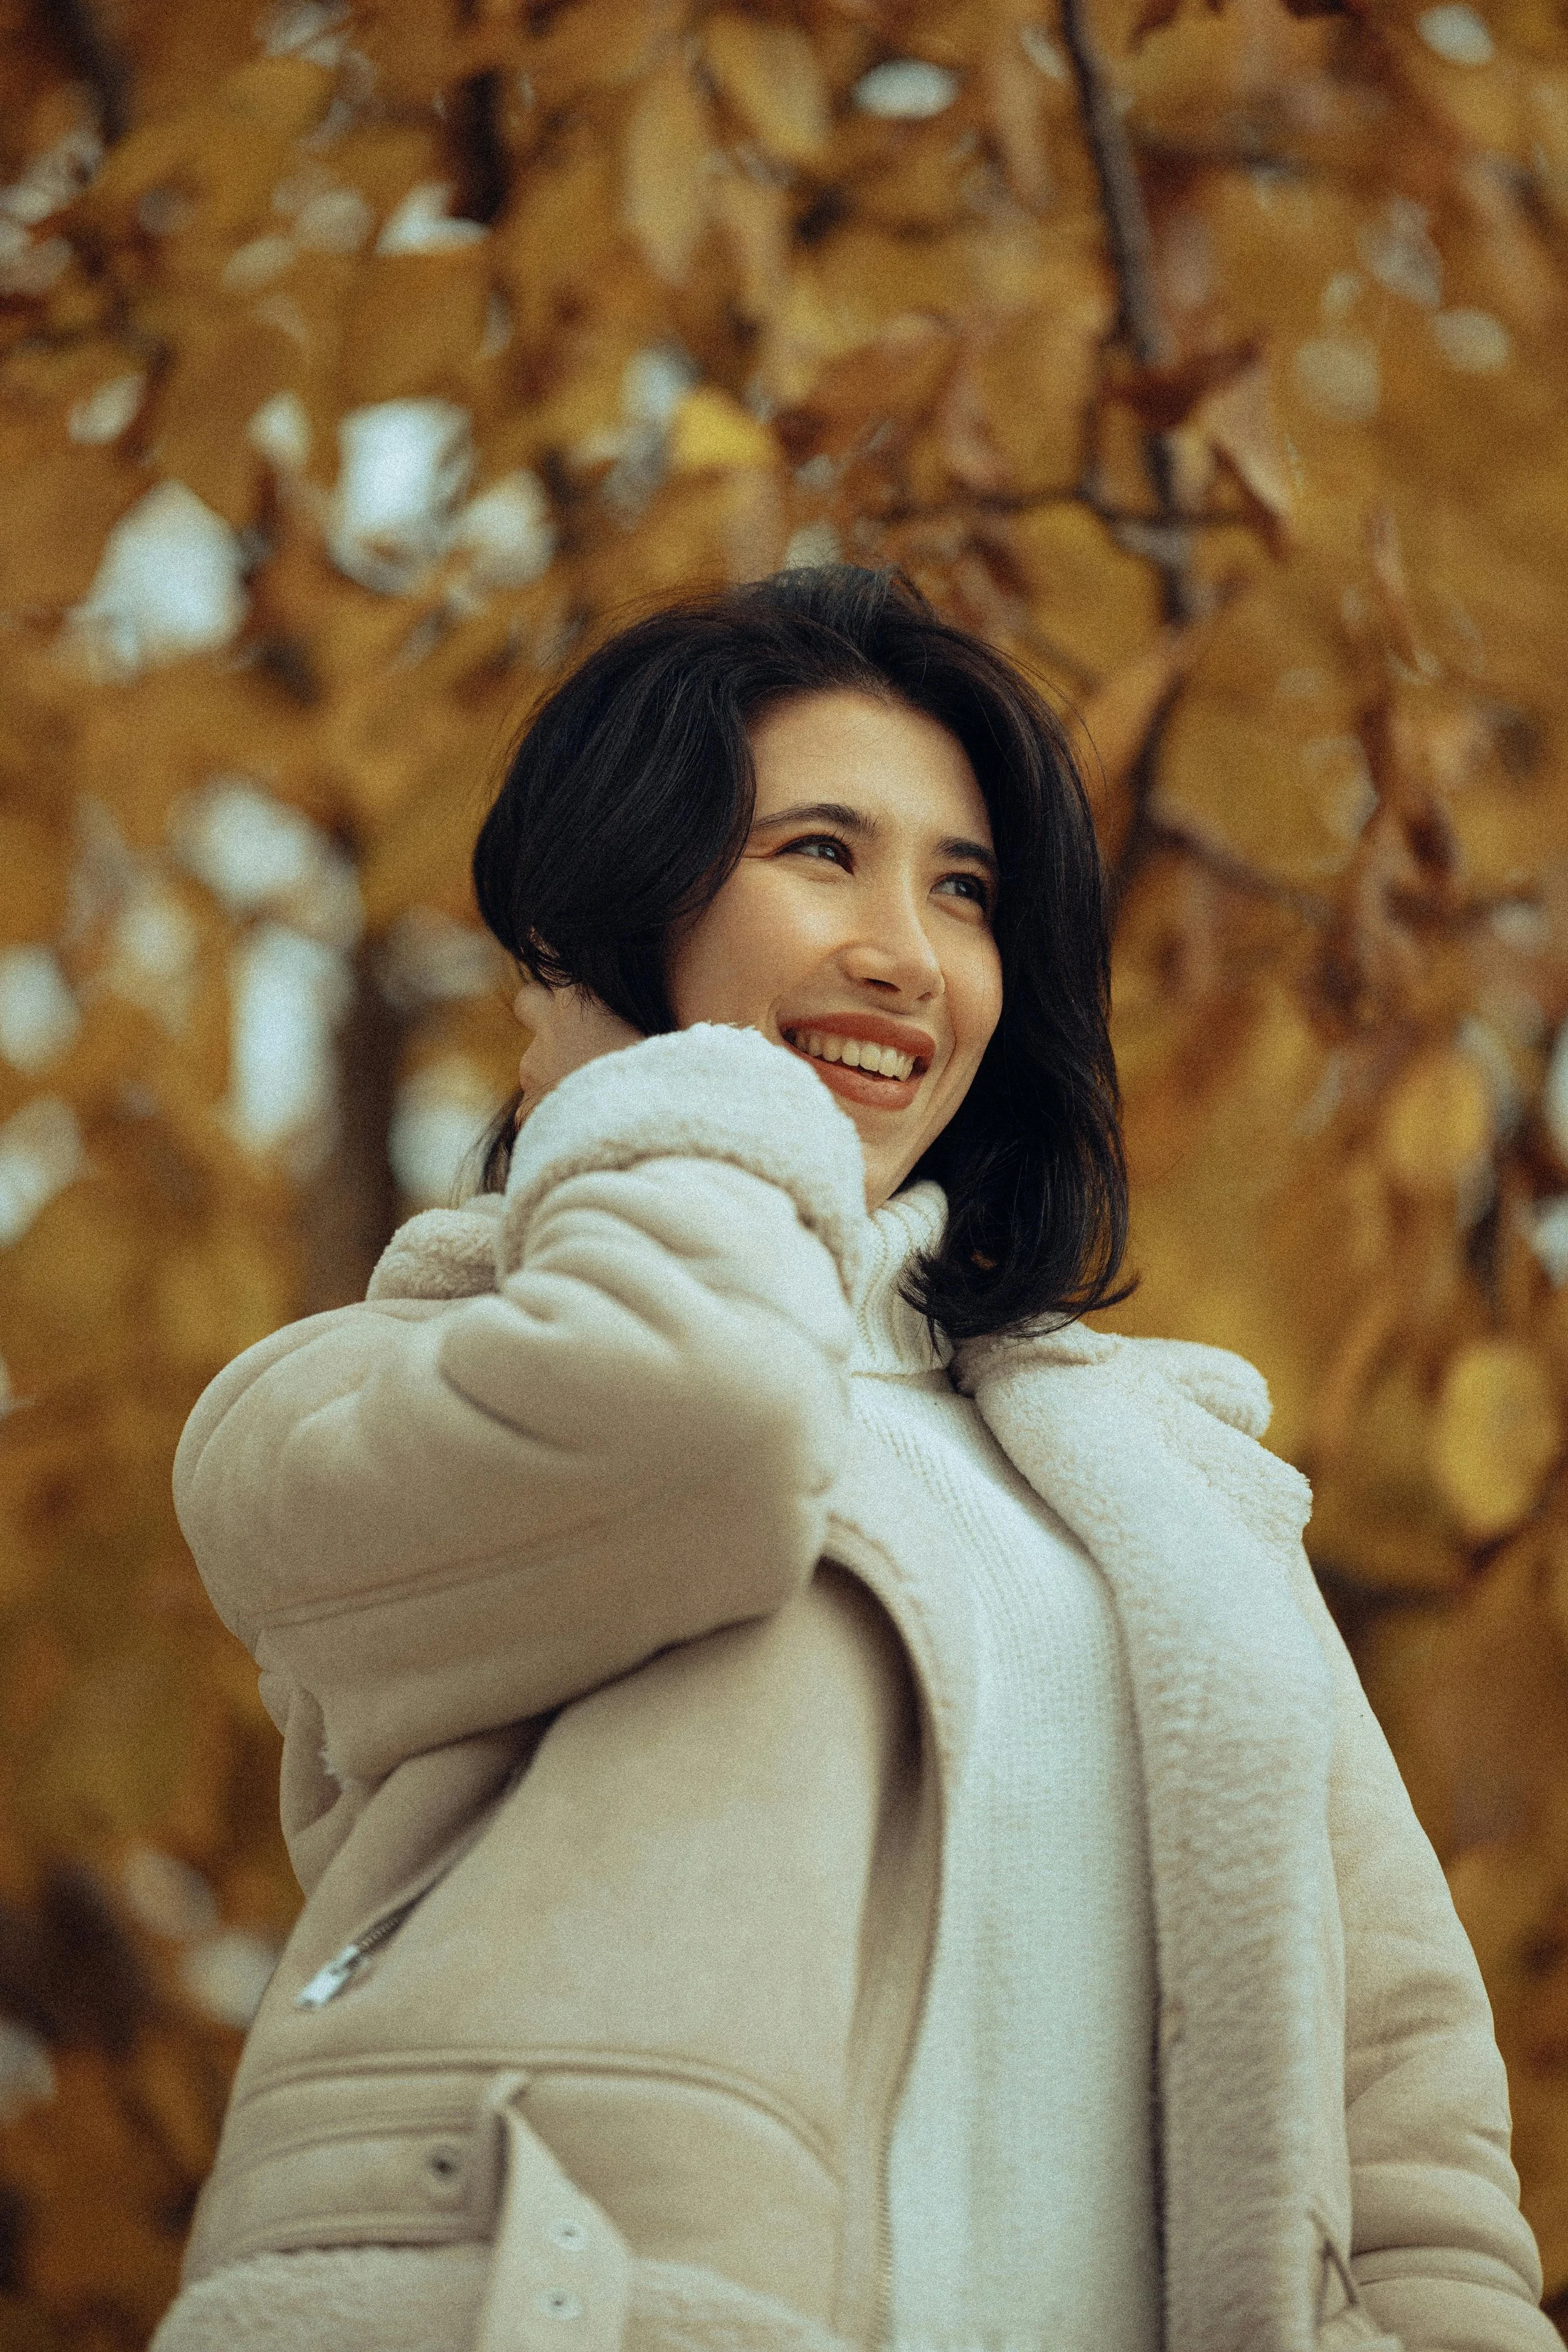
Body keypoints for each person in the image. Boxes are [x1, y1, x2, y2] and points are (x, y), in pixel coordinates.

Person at [152, 566, 1554, 2352]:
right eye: (819, 851)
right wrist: (662, 1096)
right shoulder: (360, 1397)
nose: (904, 947)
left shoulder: (1173, 1490)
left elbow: (1407, 2131)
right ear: (618, 907)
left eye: (962, 891)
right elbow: (703, 1428)